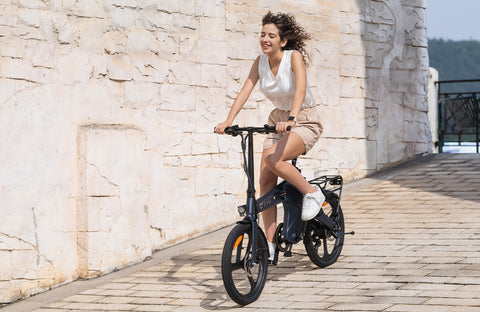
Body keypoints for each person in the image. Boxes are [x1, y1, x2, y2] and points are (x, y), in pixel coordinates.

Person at [215, 11, 324, 261]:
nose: (265, 39)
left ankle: (312, 193)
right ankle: (271, 245)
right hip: (278, 121)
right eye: (263, 34)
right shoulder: (260, 62)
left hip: (304, 118)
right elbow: (245, 91)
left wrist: (293, 119)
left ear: (282, 41)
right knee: (265, 181)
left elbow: (300, 89)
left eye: (271, 35)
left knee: (276, 161)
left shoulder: (293, 57)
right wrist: (228, 121)